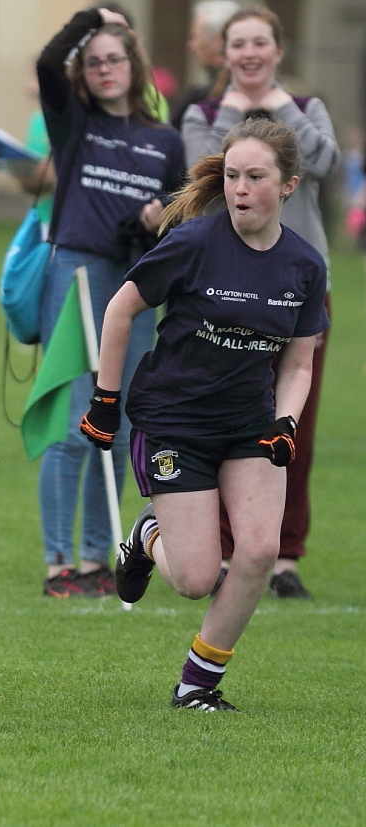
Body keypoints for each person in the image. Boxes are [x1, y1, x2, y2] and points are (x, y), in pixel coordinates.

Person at [82, 117, 328, 710]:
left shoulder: (305, 265)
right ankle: (148, 534)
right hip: (175, 420)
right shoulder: (195, 242)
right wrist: (106, 399)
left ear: (288, 186)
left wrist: (286, 422)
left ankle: (197, 685)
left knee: (260, 551)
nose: (240, 189)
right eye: (234, 176)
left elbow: (298, 362)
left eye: (256, 177)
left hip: (249, 424)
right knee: (194, 580)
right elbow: (119, 311)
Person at [181, 5, 338, 599]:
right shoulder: (201, 112)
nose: (249, 53)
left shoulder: (306, 110)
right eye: (237, 44)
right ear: (223, 54)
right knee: (224, 419)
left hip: (300, 293)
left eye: (260, 43)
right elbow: (197, 168)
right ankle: (223, 546)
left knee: (294, 421)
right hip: (226, 295)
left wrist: (276, 106)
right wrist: (235, 112)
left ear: (277, 50)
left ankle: (285, 554)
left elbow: (325, 161)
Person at [34, 8, 185, 599]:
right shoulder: (74, 122)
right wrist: (92, 17)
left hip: (136, 282)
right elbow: (49, 62)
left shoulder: (164, 139)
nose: (103, 70)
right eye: (93, 62)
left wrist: (155, 220)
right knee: (78, 420)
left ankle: (98, 557)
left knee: (118, 426)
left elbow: (179, 220)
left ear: (134, 65)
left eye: (114, 59)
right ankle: (57, 563)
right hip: (77, 273)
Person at [169, 1, 241, 129]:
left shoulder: (198, 100)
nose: (191, 46)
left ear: (217, 40)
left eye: (195, 37)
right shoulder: (197, 95)